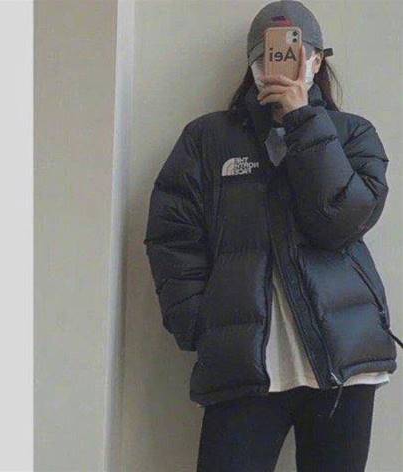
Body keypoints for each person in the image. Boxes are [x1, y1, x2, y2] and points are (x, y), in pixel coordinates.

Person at [145, 1, 400, 471]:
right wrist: (199, 325)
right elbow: (172, 237)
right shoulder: (206, 139)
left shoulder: (352, 135)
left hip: (344, 367)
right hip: (241, 365)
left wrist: (303, 120)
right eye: (268, 55)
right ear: (253, 65)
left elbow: (340, 222)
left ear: (316, 61)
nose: (279, 64)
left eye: (294, 53)